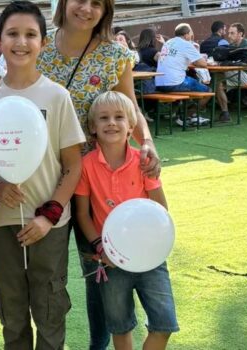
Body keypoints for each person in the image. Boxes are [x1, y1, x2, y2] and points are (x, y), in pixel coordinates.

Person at [0, 1, 162, 346]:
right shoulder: (39, 42)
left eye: (97, 3)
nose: (87, 8)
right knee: (25, 286)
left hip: (90, 177)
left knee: (99, 269)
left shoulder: (114, 55)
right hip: (39, 179)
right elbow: (10, 87)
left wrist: (147, 142)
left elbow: (129, 106)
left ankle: (99, 343)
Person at [0, 2, 86, 348]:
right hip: (1, 220)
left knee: (50, 304)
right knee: (12, 306)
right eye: (13, 34)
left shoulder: (57, 96)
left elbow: (73, 164)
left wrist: (49, 215)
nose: (21, 42)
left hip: (48, 222)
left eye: (30, 35)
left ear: (43, 42)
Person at [74, 91, 178, 350]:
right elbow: (83, 215)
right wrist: (100, 246)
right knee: (120, 327)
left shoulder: (144, 162)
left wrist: (151, 243)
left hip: (150, 258)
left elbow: (160, 208)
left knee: (164, 324)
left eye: (119, 117)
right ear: (92, 128)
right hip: (110, 260)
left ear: (131, 126)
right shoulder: (86, 165)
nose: (111, 123)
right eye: (104, 118)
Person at [156, 23, 211, 124]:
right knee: (207, 91)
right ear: (186, 35)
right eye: (191, 34)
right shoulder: (186, 44)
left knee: (190, 83)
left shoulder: (168, 42)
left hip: (159, 83)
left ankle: (182, 114)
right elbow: (203, 63)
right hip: (174, 83)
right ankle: (189, 116)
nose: (191, 36)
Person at [215, 23, 247, 123]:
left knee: (217, 76)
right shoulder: (231, 46)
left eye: (232, 33)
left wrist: (228, 63)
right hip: (236, 74)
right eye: (229, 33)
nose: (229, 36)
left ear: (240, 34)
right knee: (217, 83)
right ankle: (225, 113)